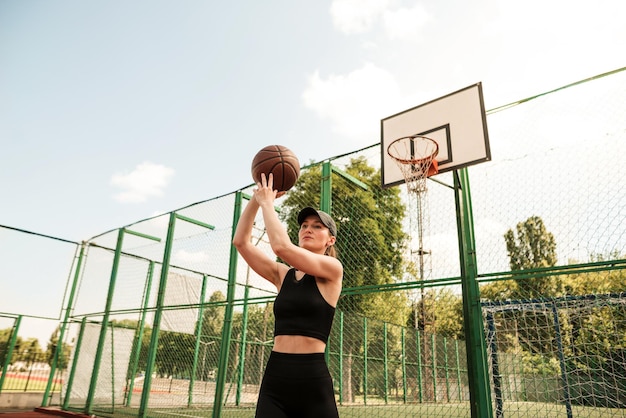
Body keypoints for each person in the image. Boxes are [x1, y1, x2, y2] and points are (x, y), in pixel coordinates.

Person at [233, 173, 342, 418]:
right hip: (276, 378)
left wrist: (268, 204)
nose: (308, 229)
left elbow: (281, 247)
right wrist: (257, 198)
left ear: (330, 239)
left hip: (312, 380)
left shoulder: (333, 270)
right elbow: (241, 242)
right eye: (304, 225)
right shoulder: (284, 276)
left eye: (317, 226)